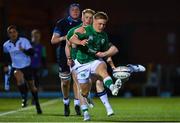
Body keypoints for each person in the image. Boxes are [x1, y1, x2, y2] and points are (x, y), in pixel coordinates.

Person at [68, 12, 122, 121]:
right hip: (81, 64)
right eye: (99, 24)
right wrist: (80, 41)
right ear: (94, 22)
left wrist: (105, 55)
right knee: (83, 91)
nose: (101, 26)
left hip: (94, 61)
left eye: (104, 24)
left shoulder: (104, 36)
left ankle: (112, 88)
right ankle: (85, 111)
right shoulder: (85, 30)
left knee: (102, 68)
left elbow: (111, 50)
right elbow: (71, 39)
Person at [3, 25, 42, 114]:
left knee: (32, 86)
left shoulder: (24, 41)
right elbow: (5, 57)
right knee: (18, 76)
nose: (13, 34)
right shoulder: (6, 45)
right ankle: (24, 97)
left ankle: (37, 105)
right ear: (8, 34)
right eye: (10, 32)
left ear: (17, 33)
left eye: (14, 32)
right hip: (16, 66)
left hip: (27, 66)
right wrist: (5, 66)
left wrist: (23, 50)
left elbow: (32, 53)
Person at [51, 3, 82, 116]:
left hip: (79, 54)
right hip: (63, 54)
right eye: (73, 10)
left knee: (77, 79)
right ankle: (66, 102)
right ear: (69, 11)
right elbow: (53, 40)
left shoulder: (83, 24)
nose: (75, 11)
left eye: (77, 10)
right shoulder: (62, 23)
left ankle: (77, 104)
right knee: (65, 82)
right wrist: (66, 37)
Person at [30, 29, 47, 104]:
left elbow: (44, 58)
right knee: (30, 83)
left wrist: (45, 68)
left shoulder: (42, 47)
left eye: (37, 36)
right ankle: (27, 97)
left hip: (37, 68)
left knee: (36, 84)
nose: (36, 37)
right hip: (29, 67)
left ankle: (34, 99)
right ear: (32, 36)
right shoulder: (29, 46)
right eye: (34, 36)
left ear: (39, 37)